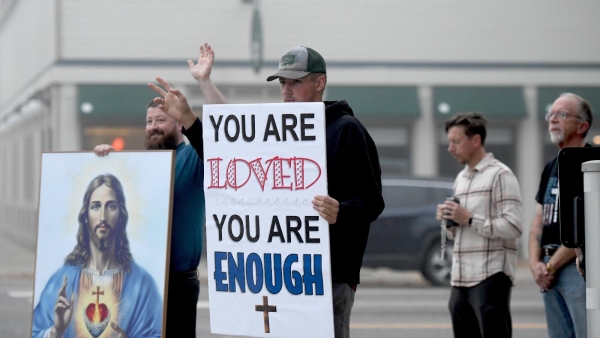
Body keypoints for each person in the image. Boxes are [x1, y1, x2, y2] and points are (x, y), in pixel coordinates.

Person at [149, 43, 385, 338]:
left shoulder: (347, 129)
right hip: (277, 277)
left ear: (319, 82)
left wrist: (341, 210)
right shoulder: (276, 126)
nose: (286, 90)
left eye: (295, 82)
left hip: (328, 276)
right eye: (282, 82)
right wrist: (188, 120)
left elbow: (372, 201)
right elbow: (228, 157)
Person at [94, 100, 205, 337]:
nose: (153, 126)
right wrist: (106, 162)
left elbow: (215, 143)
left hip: (179, 285)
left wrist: (201, 86)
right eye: (149, 121)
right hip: (138, 280)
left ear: (178, 123)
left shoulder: (194, 159)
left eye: (161, 120)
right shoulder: (139, 166)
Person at [32, 174, 162, 338]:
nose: (102, 217)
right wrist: (56, 331)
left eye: (111, 206)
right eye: (95, 206)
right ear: (85, 217)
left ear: (121, 216)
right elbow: (35, 333)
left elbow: (156, 334)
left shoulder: (142, 285)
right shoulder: (60, 281)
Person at [436, 112, 523, 338]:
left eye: (456, 141)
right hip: (460, 276)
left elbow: (514, 227)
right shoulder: (461, 178)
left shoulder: (501, 175)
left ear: (475, 140)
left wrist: (470, 218)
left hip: (490, 275)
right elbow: (461, 232)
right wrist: (449, 220)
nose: (450, 148)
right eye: (449, 142)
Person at [528, 93, 592, 338]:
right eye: (551, 114)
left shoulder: (592, 162)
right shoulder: (551, 166)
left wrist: (551, 266)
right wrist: (536, 264)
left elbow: (588, 226)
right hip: (548, 270)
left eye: (562, 114)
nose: (553, 120)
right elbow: (537, 222)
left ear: (582, 126)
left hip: (578, 268)